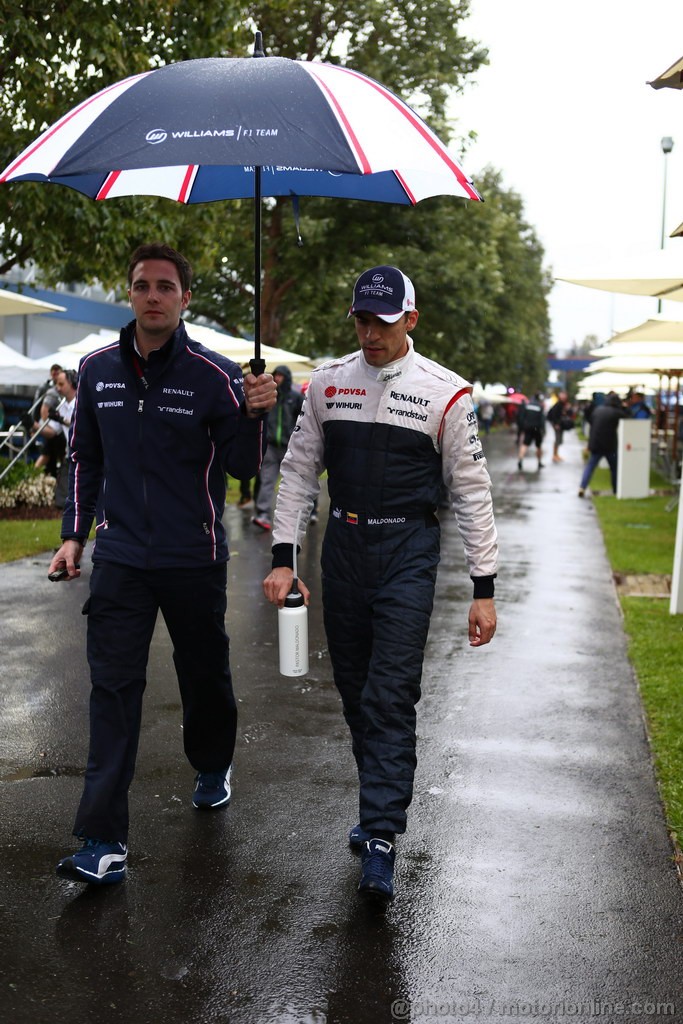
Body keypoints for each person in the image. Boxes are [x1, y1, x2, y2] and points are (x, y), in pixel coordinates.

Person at [262, 265, 498, 906]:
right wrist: (284, 556)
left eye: (383, 322)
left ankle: (382, 835)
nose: (370, 333)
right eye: (362, 320)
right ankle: (378, 805)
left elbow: (473, 493)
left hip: (409, 550)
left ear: (411, 322)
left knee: (390, 696)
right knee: (356, 691)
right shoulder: (328, 385)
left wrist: (484, 586)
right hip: (343, 549)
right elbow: (299, 472)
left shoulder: (447, 394)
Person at [47, 242, 277, 886]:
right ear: (130, 293)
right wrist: (74, 535)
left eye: (166, 287)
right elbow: (83, 460)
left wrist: (257, 413)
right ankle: (102, 839)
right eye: (143, 285)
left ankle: (211, 762)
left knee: (204, 677)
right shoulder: (96, 370)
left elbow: (238, 466)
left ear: (185, 299)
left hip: (192, 557)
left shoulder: (216, 374)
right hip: (120, 557)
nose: (153, 295)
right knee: (112, 690)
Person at [251, 365, 304, 531]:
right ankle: (263, 514)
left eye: (281, 375)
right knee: (267, 481)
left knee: (293, 483)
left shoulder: (295, 397)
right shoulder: (270, 396)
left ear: (287, 377)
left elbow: (303, 418)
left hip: (290, 447)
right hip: (271, 446)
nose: (278, 378)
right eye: (276, 375)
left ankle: (294, 516)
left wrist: (298, 438)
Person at [578, 392, 626, 497]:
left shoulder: (598, 410)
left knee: (590, 467)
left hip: (596, 443)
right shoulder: (616, 412)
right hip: (609, 445)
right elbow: (628, 416)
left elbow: (591, 423)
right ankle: (615, 490)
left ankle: (582, 486)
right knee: (614, 469)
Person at [51, 369, 78, 508]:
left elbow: (79, 424)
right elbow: (52, 431)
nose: (57, 388)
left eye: (61, 384)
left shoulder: (81, 402)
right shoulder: (61, 406)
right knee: (61, 500)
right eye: (57, 384)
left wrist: (61, 420)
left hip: (83, 454)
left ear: (72, 383)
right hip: (70, 455)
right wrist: (32, 424)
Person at [516, 393, 545, 471]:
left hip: (528, 427)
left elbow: (521, 417)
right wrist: (543, 429)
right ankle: (539, 462)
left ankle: (520, 460)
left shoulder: (527, 405)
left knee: (525, 444)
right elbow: (542, 420)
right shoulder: (540, 406)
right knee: (538, 446)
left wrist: (522, 427)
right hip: (537, 429)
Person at [546, 389, 571, 462]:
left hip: (560, 424)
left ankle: (556, 454)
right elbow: (553, 415)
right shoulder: (558, 404)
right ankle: (554, 455)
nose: (564, 396)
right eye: (562, 395)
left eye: (565, 395)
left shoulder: (564, 404)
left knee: (559, 440)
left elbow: (568, 414)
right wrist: (556, 424)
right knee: (557, 440)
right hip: (557, 424)